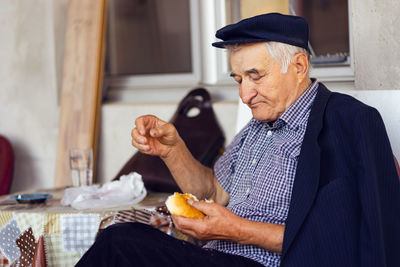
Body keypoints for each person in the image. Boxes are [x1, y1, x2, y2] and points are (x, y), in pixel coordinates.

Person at [76, 13, 400, 267]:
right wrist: (173, 150)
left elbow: (354, 237)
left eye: (256, 76)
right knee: (121, 238)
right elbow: (214, 192)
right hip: (214, 257)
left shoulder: (349, 121)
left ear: (299, 66)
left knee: (121, 244)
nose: (245, 94)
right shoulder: (256, 127)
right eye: (239, 79)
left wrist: (236, 230)